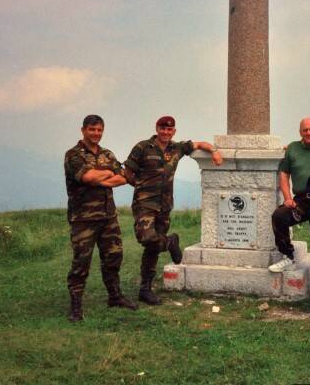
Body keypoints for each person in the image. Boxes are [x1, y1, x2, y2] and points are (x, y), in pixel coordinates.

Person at [123, 116, 223, 305]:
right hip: (145, 204)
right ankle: (170, 242)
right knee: (145, 237)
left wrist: (215, 152)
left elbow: (199, 144)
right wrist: (141, 187)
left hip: (165, 205)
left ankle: (145, 289)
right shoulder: (142, 147)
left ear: (174, 131)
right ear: (157, 129)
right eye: (162, 129)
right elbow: (128, 172)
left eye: (169, 130)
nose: (166, 132)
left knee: (151, 248)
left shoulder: (176, 148)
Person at [63, 114, 137, 322]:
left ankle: (115, 297)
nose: (96, 134)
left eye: (99, 130)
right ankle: (76, 306)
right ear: (83, 130)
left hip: (108, 217)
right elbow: (87, 177)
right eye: (92, 130)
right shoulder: (73, 155)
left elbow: (124, 177)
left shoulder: (107, 153)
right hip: (83, 219)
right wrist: (106, 173)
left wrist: (100, 179)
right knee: (81, 262)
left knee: (114, 257)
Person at [268, 117, 310, 276]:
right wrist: (288, 198)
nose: (309, 133)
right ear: (300, 132)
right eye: (305, 130)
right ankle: (288, 256)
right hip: (302, 201)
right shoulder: (292, 148)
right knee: (280, 216)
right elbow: (284, 173)